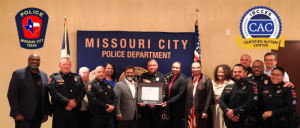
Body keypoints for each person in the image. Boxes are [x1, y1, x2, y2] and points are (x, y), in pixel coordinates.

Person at [7, 54, 50, 128]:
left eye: (37, 60)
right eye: (32, 59)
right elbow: (11, 94)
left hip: (38, 115)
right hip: (23, 115)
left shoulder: (44, 75)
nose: (35, 61)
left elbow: (45, 95)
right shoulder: (18, 74)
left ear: (39, 62)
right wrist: (17, 113)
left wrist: (46, 112)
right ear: (28, 61)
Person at [48, 57, 85, 128]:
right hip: (60, 112)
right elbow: (53, 92)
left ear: (71, 65)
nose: (66, 66)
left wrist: (75, 102)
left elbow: (83, 91)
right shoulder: (53, 77)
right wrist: (68, 102)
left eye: (68, 64)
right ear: (59, 65)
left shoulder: (77, 76)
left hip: (75, 111)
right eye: (64, 64)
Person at [185, 61, 214, 128]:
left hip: (201, 110)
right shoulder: (188, 80)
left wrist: (206, 111)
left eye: (198, 67)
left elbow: (209, 96)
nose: (196, 69)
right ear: (191, 69)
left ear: (201, 68)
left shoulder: (206, 80)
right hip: (190, 110)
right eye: (194, 68)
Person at [138, 59, 165, 128]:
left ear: (157, 66)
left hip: (156, 108)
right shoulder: (143, 76)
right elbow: (139, 90)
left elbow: (164, 91)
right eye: (150, 65)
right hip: (145, 108)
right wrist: (140, 101)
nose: (152, 67)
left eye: (154, 65)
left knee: (155, 125)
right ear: (147, 66)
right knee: (145, 125)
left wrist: (157, 103)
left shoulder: (161, 76)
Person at [162, 62, 187, 128]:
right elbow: (167, 93)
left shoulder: (182, 80)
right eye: (173, 67)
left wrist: (167, 102)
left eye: (177, 68)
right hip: (170, 109)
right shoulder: (170, 78)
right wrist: (166, 107)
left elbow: (180, 95)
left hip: (177, 110)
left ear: (180, 69)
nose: (175, 69)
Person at [104, 62, 118, 128]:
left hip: (114, 107)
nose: (110, 70)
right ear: (104, 69)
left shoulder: (115, 81)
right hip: (106, 107)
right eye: (108, 68)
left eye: (112, 68)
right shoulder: (102, 81)